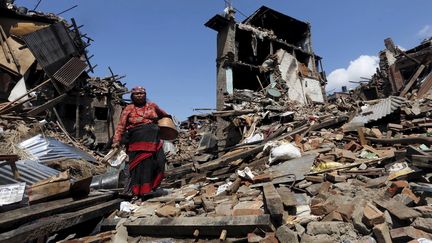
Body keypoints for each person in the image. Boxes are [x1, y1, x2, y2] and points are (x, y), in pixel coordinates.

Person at [112, 86, 170, 199]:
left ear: (145, 95)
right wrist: (116, 140)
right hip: (136, 141)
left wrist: (164, 127)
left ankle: (151, 188)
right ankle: (137, 193)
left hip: (154, 141)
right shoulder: (128, 108)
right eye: (136, 94)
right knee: (138, 168)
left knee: (159, 162)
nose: (139, 95)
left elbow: (165, 115)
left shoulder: (152, 106)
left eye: (142, 93)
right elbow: (121, 125)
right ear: (132, 96)